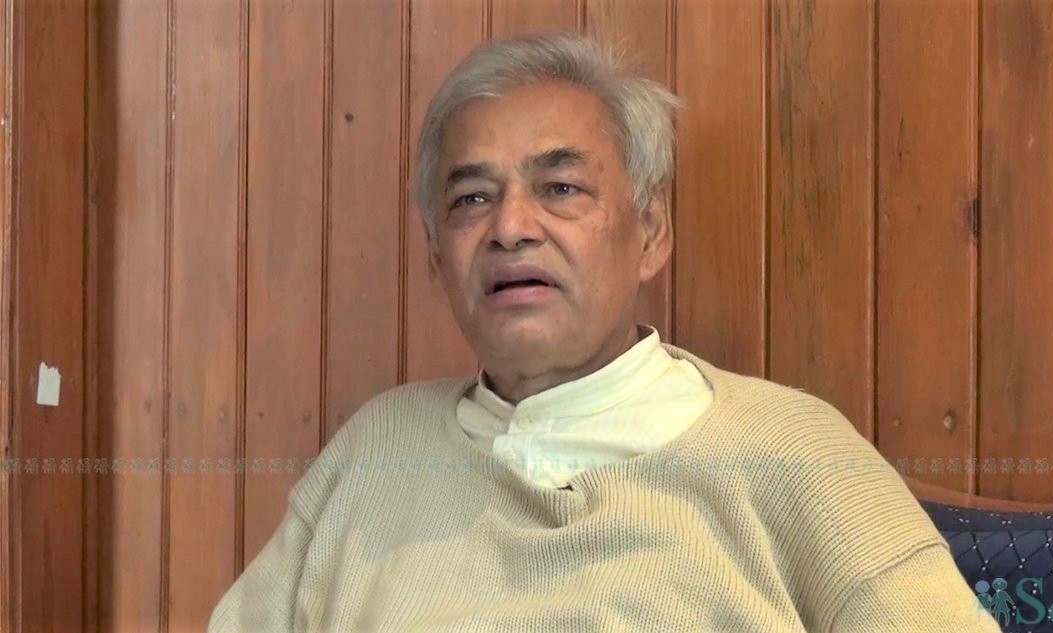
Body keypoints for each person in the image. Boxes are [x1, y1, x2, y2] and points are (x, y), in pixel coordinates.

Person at [208, 32, 1000, 632]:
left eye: (560, 187)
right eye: (472, 198)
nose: (511, 227)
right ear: (437, 257)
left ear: (650, 232)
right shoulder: (373, 454)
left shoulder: (797, 453)